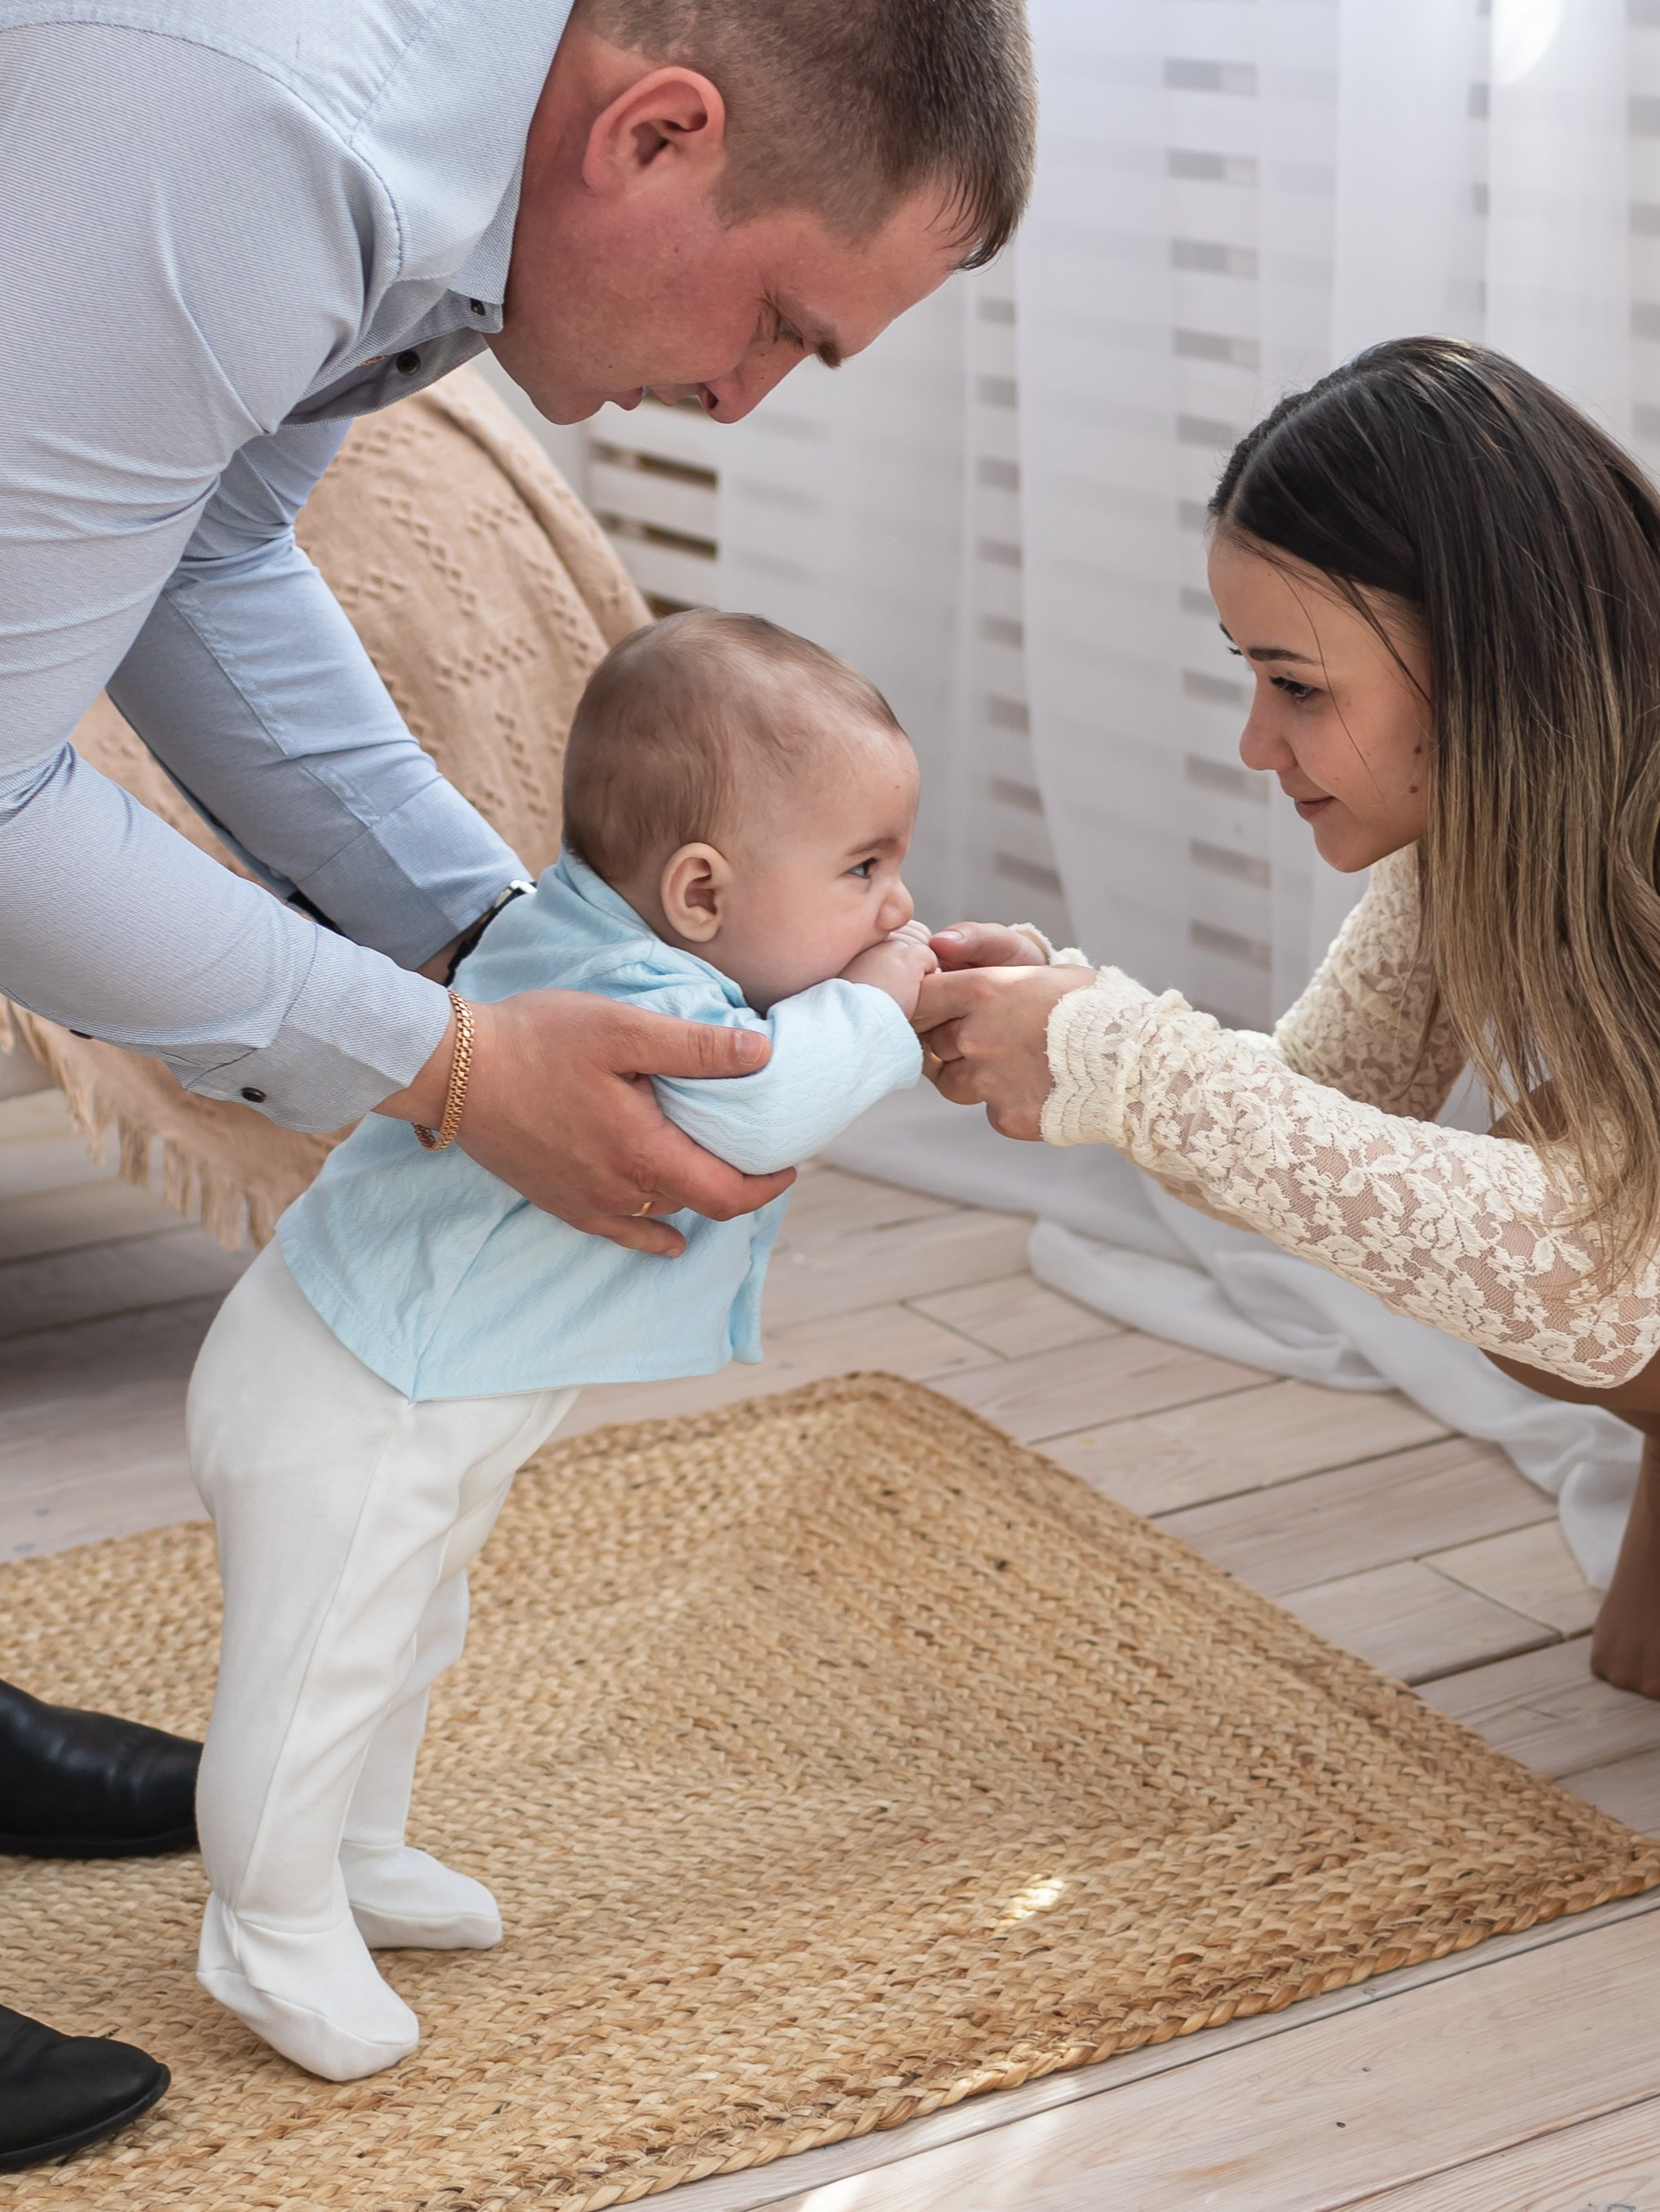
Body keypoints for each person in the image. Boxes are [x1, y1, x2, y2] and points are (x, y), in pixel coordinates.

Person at [0, 0, 1033, 2161]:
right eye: (784, 328)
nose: (743, 404)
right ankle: (258, 1904)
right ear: (656, 136)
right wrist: (451, 1059)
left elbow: (194, 553)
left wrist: (484, 946)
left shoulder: (398, 207)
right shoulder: (257, 134)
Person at [916, 335, 1660, 1714]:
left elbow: (1603, 1272)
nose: (1256, 742)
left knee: (1582, 1210)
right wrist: (1073, 1026)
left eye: (1298, 686)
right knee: (1562, 1157)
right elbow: (1333, 1098)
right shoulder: (1510, 750)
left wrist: (1116, 1058)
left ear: (1482, 658)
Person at [183, 610, 937, 2080]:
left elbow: (806, 1036)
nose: (894, 909)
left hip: (420, 1392)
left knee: (409, 1626)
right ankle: (265, 1924)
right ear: (701, 891)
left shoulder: (619, 937)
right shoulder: (622, 992)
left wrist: (889, 979)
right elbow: (773, 1106)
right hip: (355, 1395)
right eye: (865, 871)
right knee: (322, 1653)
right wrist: (886, 1006)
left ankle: (353, 1848)